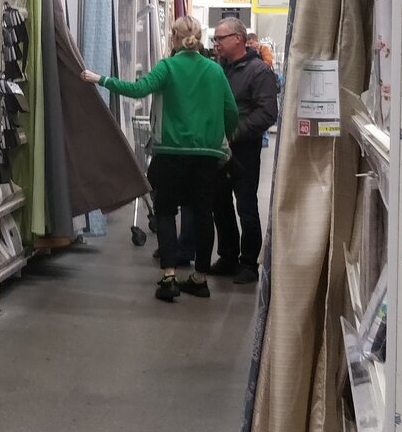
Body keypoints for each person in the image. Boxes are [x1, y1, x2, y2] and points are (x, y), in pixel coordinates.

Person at [84, 16, 238, 303]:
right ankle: (200, 279)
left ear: (174, 38)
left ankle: (169, 277)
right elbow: (232, 113)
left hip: (170, 153)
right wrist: (220, 136)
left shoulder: (167, 67)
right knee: (204, 215)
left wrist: (100, 79)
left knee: (166, 212)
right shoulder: (215, 70)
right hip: (207, 157)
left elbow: (137, 90)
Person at [208, 17, 280, 285]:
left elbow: (267, 113)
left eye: (220, 38)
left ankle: (249, 263)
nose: (216, 44)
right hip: (218, 149)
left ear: (237, 38)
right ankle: (227, 256)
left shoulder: (259, 72)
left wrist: (235, 132)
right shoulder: (219, 69)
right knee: (220, 203)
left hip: (244, 150)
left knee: (246, 205)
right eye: (215, 39)